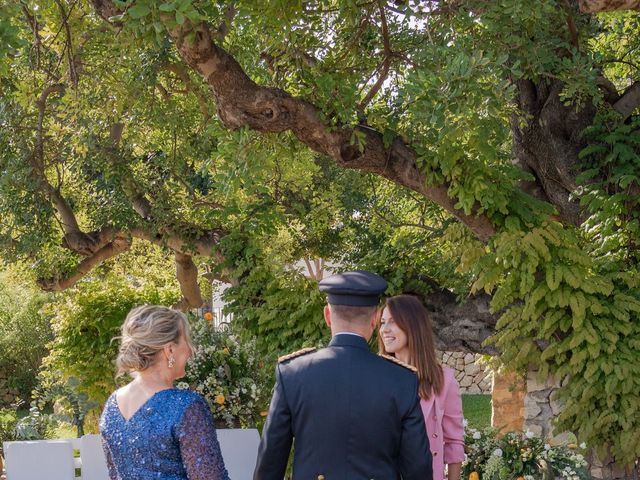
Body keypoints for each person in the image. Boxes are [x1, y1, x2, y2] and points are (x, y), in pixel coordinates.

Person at [254, 270, 433, 480]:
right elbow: (418, 469)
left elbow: (270, 462)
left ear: (327, 316)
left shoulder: (293, 373)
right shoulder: (402, 379)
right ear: (375, 319)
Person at [100, 305, 230, 480]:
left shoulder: (112, 405)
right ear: (169, 350)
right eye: (187, 341)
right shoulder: (186, 406)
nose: (191, 350)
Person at [379, 295, 465, 480]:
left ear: (412, 325)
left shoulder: (444, 380)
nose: (384, 330)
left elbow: (454, 441)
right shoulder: (375, 376)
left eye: (392, 322)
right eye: (382, 322)